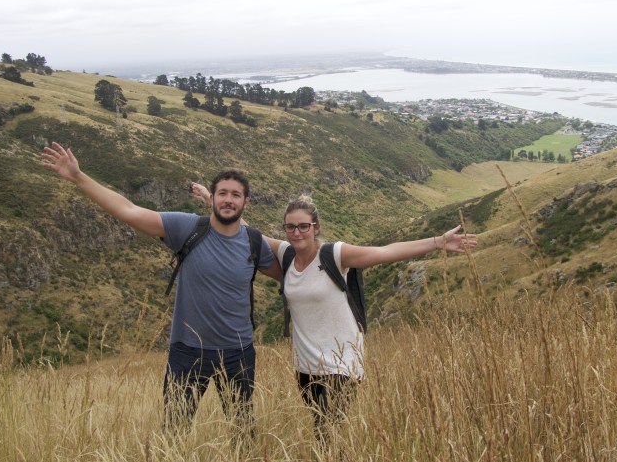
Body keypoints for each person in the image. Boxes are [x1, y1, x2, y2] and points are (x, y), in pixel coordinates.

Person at [190, 184, 478, 437]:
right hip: (305, 367)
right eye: (290, 227)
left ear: (316, 228)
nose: (297, 232)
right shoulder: (286, 255)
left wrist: (438, 242)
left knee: (329, 431)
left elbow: (386, 251)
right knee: (322, 428)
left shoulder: (336, 255)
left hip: (342, 365)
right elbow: (246, 233)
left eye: (304, 226)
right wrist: (211, 201)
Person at [41, 142, 281, 433]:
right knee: (174, 430)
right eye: (222, 193)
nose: (228, 200)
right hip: (188, 351)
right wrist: (79, 177)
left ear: (246, 203)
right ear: (212, 198)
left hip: (238, 352)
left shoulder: (255, 242)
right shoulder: (187, 228)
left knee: (242, 429)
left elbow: (293, 273)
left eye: (236, 195)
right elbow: (128, 210)